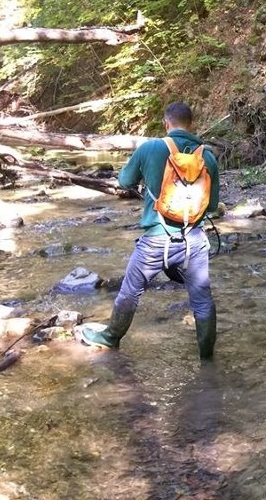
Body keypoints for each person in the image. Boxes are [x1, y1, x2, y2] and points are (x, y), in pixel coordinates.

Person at [80, 102, 221, 359]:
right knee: (201, 299)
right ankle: (207, 357)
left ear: (166, 123)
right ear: (191, 124)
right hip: (194, 242)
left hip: (156, 240)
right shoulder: (207, 156)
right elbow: (211, 206)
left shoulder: (152, 147)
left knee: (131, 291)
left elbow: (124, 182)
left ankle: (110, 338)